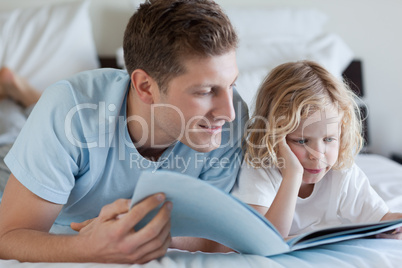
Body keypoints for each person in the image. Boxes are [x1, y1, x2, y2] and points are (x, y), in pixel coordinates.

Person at [0, 0, 247, 264]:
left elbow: (217, 235)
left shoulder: (231, 119)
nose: (228, 112)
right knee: (10, 130)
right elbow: (8, 237)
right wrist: (87, 247)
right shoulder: (70, 108)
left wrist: (141, 231)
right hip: (14, 163)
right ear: (145, 87)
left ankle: (26, 97)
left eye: (231, 84)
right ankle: (21, 94)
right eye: (205, 91)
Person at [232, 60, 402, 239]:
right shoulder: (259, 170)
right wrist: (292, 176)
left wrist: (394, 227)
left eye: (329, 139)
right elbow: (264, 239)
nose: (318, 155)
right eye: (302, 140)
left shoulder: (341, 172)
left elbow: (381, 219)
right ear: (274, 136)